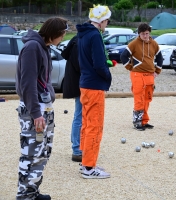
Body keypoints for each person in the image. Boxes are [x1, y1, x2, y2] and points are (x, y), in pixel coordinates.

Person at [15, 17, 68, 200]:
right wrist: (36, 113)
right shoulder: (32, 48)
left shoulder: (43, 47)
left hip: (43, 107)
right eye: (62, 35)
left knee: (43, 152)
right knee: (31, 153)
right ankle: (24, 195)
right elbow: (27, 82)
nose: (62, 38)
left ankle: (32, 191)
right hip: (34, 109)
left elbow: (43, 80)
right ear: (54, 33)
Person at [76, 4, 112, 179]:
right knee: (94, 126)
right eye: (107, 21)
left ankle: (86, 161)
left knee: (86, 123)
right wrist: (108, 76)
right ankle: (89, 167)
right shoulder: (95, 36)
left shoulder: (83, 34)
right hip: (94, 85)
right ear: (102, 21)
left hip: (85, 83)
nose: (107, 24)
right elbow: (99, 63)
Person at [120, 23, 163, 131]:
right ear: (139, 34)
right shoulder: (133, 43)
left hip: (150, 75)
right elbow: (123, 56)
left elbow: (160, 58)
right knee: (139, 98)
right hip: (137, 75)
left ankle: (144, 121)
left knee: (147, 98)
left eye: (147, 33)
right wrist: (129, 67)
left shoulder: (154, 44)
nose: (145, 36)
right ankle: (137, 122)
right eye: (143, 34)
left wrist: (157, 71)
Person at [61, 35, 82, 162]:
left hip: (79, 83)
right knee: (79, 116)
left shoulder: (76, 41)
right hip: (80, 84)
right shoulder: (78, 43)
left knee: (80, 115)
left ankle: (79, 146)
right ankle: (76, 149)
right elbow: (80, 66)